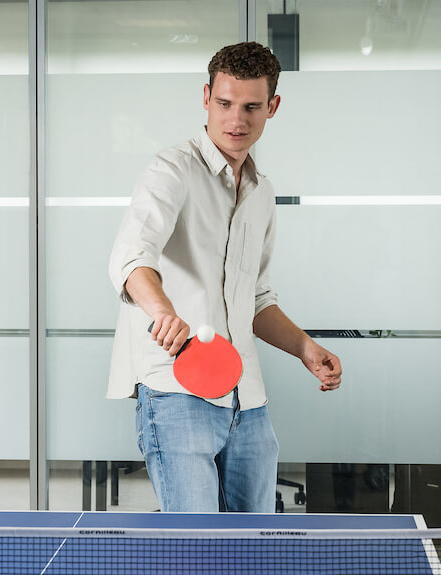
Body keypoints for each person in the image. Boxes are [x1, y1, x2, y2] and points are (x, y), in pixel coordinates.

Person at [106, 41, 342, 513]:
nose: (236, 120)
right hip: (177, 392)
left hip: (247, 399)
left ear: (272, 107)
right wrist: (162, 311)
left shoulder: (262, 191)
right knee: (196, 550)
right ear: (206, 97)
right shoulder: (170, 170)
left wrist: (304, 346)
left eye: (252, 107)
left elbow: (255, 298)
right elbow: (132, 257)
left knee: (250, 547)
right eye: (224, 103)